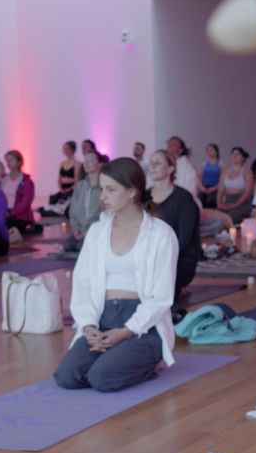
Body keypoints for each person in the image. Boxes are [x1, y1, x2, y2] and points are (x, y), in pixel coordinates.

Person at [55, 157, 177, 392]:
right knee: (67, 376)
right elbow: (83, 285)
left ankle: (149, 361)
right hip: (103, 317)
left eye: (111, 190)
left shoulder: (160, 234)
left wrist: (125, 332)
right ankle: (117, 357)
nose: (103, 197)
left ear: (132, 191)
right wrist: (89, 326)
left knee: (101, 378)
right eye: (102, 189)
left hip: (142, 325)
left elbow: (161, 298)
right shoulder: (97, 231)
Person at [147, 149, 202, 301]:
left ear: (170, 169)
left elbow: (183, 240)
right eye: (151, 163)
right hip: (149, 258)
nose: (152, 167)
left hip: (178, 260)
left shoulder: (183, 199)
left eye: (157, 163)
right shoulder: (144, 198)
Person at [64, 150, 103, 253]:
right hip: (80, 230)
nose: (86, 164)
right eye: (85, 161)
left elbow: (105, 214)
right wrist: (76, 229)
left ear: (99, 164)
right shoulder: (80, 185)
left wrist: (88, 231)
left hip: (96, 230)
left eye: (90, 161)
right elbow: (72, 211)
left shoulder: (104, 186)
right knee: (68, 246)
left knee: (81, 247)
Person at [1, 150, 38, 236]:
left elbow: (26, 201)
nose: (8, 163)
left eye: (11, 160)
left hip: (21, 216)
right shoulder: (3, 180)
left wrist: (12, 213)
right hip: (5, 213)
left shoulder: (26, 182)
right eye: (7, 160)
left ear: (19, 162)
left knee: (5, 223)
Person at [217, 147, 255, 223]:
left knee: (232, 216)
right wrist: (219, 203)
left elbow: (248, 192)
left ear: (243, 158)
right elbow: (220, 190)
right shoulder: (225, 172)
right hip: (228, 200)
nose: (234, 156)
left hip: (243, 201)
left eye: (237, 154)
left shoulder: (247, 172)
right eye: (233, 154)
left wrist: (236, 204)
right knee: (217, 216)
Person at [51, 140, 79, 207]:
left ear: (73, 150)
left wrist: (69, 189)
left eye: (67, 149)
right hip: (63, 188)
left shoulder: (77, 164)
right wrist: (61, 189)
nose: (65, 151)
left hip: (72, 189)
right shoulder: (62, 163)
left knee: (66, 202)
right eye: (64, 149)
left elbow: (77, 180)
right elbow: (59, 179)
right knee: (52, 199)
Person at [198, 143, 222, 209]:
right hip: (204, 187)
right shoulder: (203, 164)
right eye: (208, 150)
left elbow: (222, 179)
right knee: (199, 200)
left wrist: (214, 188)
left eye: (211, 150)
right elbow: (199, 177)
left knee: (210, 200)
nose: (209, 152)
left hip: (215, 187)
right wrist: (201, 187)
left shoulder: (221, 164)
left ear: (216, 152)